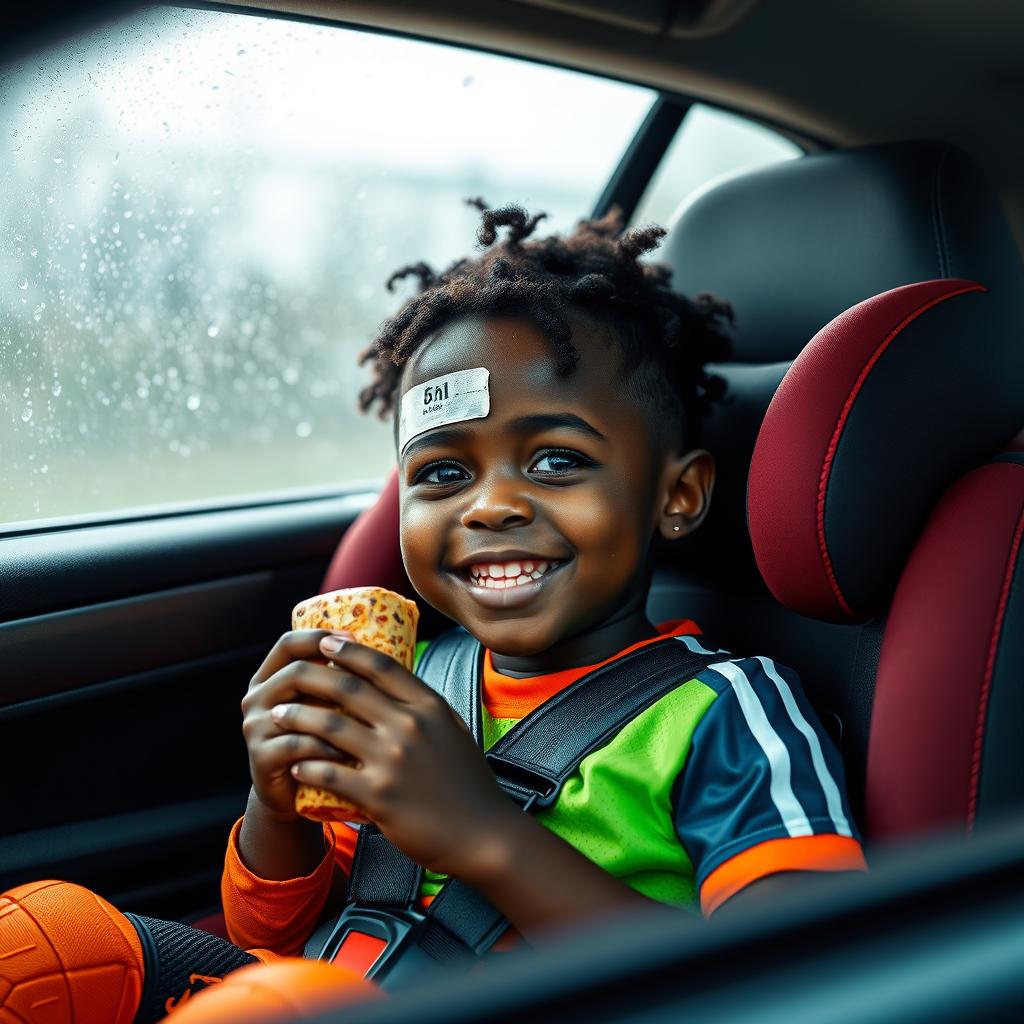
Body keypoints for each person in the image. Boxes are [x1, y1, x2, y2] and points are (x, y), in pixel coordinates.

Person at [0, 201, 867, 1022]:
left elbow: (802, 979)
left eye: (557, 461)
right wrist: (275, 804)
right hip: (334, 989)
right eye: (443, 473)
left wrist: (485, 833)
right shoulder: (411, 682)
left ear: (677, 494)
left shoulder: (730, 713)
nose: (488, 507)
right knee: (39, 943)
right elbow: (278, 935)